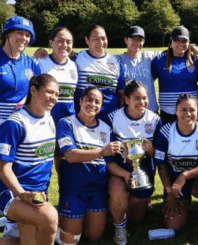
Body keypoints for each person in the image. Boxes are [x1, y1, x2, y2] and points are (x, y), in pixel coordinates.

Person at [0, 74, 59, 244]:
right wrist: (23, 194)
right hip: (12, 193)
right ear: (33, 90)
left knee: (26, 241)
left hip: (38, 193)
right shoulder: (14, 124)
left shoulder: (49, 118)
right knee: (49, 217)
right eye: (49, 92)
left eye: (56, 94)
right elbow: (3, 169)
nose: (54, 98)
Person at [55, 87, 119, 244]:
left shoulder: (106, 128)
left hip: (97, 191)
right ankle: (53, 227)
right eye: (89, 100)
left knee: (94, 237)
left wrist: (126, 175)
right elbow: (70, 156)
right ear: (80, 101)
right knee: (70, 240)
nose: (93, 104)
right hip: (74, 190)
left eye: (97, 102)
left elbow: (109, 163)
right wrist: (102, 152)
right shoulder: (66, 123)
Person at [155, 94, 198, 245]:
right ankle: (184, 202)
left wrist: (184, 175)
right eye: (183, 109)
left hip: (197, 182)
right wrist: (169, 192)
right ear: (176, 110)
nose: (188, 114)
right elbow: (161, 165)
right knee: (173, 226)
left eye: (192, 110)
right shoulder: (165, 132)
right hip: (176, 187)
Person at [104, 80, 162, 245]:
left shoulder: (154, 119)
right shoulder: (113, 118)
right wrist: (125, 174)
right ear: (126, 100)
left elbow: (161, 156)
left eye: (145, 98)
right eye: (137, 98)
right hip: (119, 170)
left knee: (136, 219)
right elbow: (106, 157)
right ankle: (119, 226)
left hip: (143, 173)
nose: (142, 102)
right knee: (117, 189)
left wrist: (151, 151)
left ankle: (119, 206)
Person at [116, 26, 198, 113]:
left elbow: (176, 49)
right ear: (125, 40)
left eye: (140, 39)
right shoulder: (118, 60)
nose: (137, 42)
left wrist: (191, 46)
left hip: (151, 110)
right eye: (133, 39)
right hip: (132, 109)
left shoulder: (149, 56)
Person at [151, 27, 198, 125]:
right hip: (167, 112)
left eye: (184, 41)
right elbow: (150, 82)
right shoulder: (159, 60)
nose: (181, 44)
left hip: (190, 112)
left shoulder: (195, 60)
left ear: (188, 43)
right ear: (170, 42)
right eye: (177, 40)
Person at [73, 25, 125, 120]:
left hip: (109, 120)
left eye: (103, 38)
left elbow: (121, 95)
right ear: (87, 40)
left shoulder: (116, 63)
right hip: (83, 119)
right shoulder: (76, 59)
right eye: (95, 39)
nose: (101, 42)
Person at [0, 16, 41, 125]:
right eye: (19, 32)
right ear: (7, 34)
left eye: (27, 35)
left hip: (23, 123)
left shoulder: (32, 62)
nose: (24, 38)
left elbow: (38, 91)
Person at [35, 27, 77, 125]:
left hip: (68, 125)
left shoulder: (75, 65)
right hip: (43, 124)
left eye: (68, 42)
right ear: (51, 43)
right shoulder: (39, 63)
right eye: (60, 41)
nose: (65, 45)